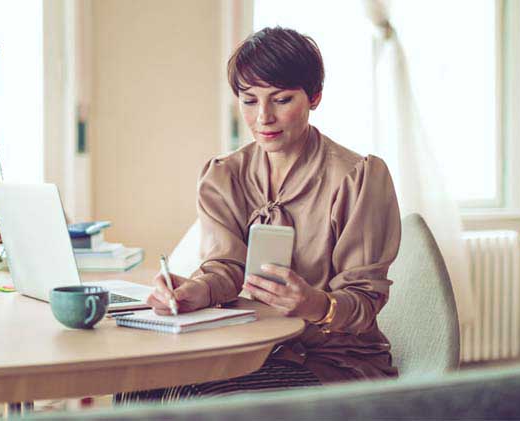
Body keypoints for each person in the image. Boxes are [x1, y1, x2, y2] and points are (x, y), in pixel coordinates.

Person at [117, 26, 401, 403]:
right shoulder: (223, 175)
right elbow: (225, 267)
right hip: (247, 350)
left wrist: (314, 303)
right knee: (137, 388)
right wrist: (193, 292)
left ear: (314, 97)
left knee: (193, 399)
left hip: (333, 361)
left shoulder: (358, 178)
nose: (263, 117)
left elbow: (363, 301)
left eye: (281, 99)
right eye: (249, 101)